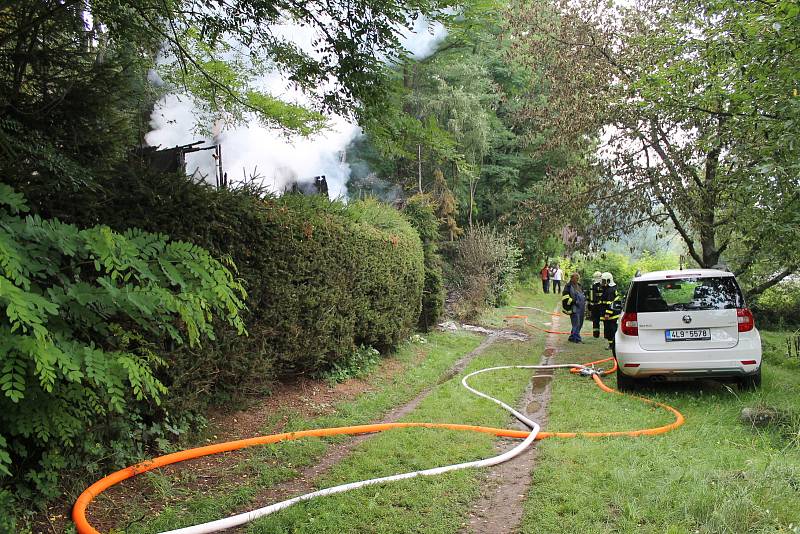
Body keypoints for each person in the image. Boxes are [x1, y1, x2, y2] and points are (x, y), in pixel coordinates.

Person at [561, 273, 586, 343]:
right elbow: (565, 298)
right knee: (576, 323)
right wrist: (574, 302)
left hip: (581, 307)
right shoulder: (568, 286)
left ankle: (572, 337)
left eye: (578, 278)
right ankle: (577, 339)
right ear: (572, 278)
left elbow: (583, 294)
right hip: (574, 307)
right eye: (576, 278)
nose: (577, 280)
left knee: (580, 323)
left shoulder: (579, 286)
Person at [600, 271, 621, 351]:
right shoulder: (608, 288)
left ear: (608, 281)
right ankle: (611, 344)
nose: (602, 283)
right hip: (609, 314)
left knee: (611, 330)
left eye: (604, 281)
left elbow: (610, 303)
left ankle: (613, 345)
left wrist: (607, 313)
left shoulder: (610, 290)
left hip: (611, 315)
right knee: (608, 330)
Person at [589, 271, 603, 339]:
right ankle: (606, 334)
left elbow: (590, 297)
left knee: (595, 320)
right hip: (601, 305)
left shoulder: (592, 285)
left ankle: (596, 334)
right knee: (604, 320)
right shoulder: (603, 286)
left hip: (594, 306)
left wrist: (590, 305)